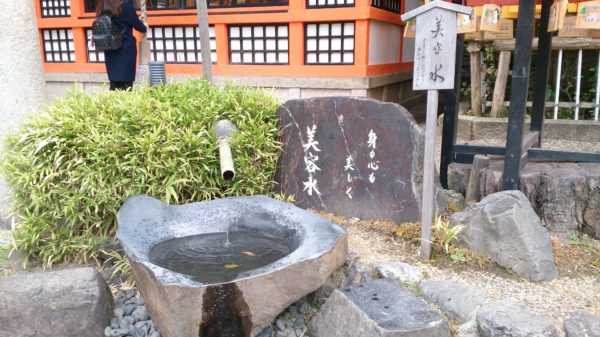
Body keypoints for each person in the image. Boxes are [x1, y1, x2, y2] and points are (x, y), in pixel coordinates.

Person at [96, 0, 147, 91]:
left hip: (110, 49)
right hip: (125, 50)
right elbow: (140, 27)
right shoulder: (126, 6)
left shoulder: (102, 6)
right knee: (126, 87)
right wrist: (144, 26)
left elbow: (117, 22)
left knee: (114, 85)